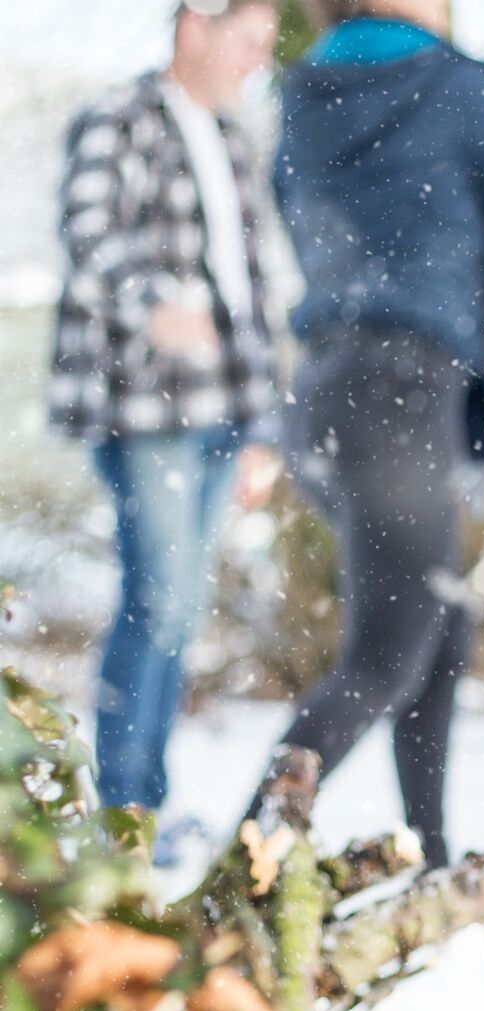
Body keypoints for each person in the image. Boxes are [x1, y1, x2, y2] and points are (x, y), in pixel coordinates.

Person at [255, 0, 484, 867]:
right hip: (402, 393)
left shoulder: (304, 94)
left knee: (437, 624)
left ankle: (427, 858)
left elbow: (296, 210)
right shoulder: (461, 87)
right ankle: (243, 869)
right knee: (383, 657)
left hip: (323, 391)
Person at [49, 0, 283, 848]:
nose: (260, 58)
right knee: (160, 598)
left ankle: (143, 801)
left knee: (180, 609)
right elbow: (88, 234)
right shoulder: (118, 118)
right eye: (249, 40)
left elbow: (250, 289)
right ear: (195, 28)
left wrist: (264, 423)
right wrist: (155, 303)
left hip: (222, 407)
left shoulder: (227, 136)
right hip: (145, 405)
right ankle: (123, 808)